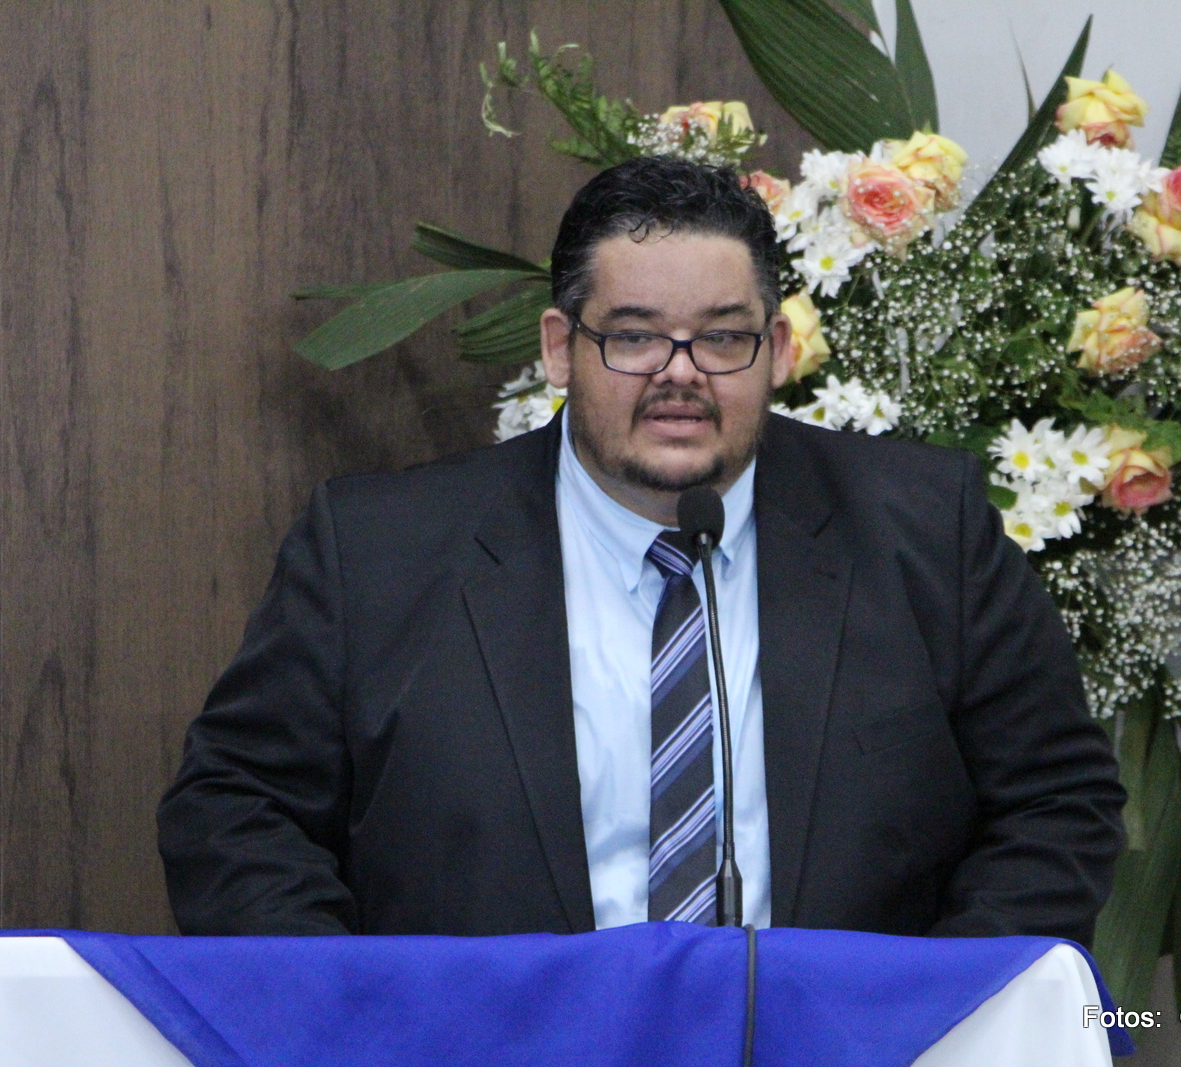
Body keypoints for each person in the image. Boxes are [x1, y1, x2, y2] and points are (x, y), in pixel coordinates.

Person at [158, 157, 1126, 941]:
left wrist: (931, 1019)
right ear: (558, 348)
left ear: (780, 351)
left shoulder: (927, 529)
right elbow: (236, 808)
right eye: (632, 338)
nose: (679, 375)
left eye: (723, 339)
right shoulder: (377, 550)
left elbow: (1056, 803)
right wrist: (356, 1016)